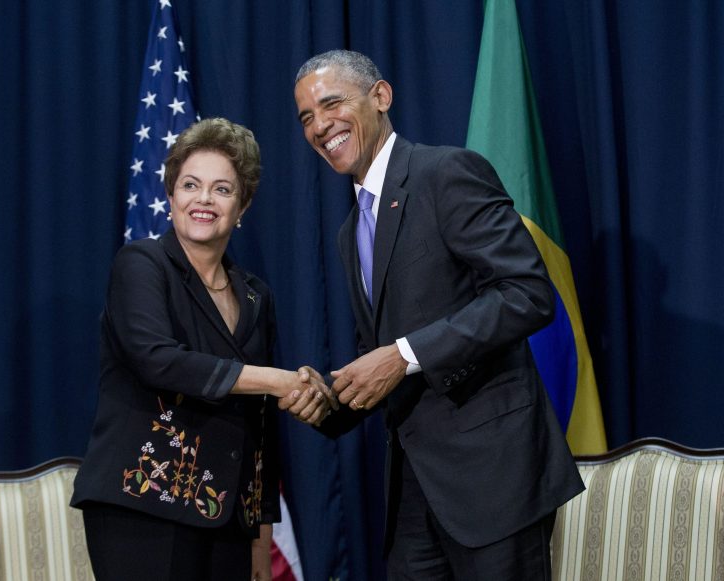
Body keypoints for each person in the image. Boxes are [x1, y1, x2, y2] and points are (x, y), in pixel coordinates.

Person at [283, 50, 585, 580]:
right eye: (306, 117)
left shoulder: (446, 173)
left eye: (331, 103)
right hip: (413, 495)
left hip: (494, 482)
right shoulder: (349, 232)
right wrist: (330, 400)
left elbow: (527, 292)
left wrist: (404, 356)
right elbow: (377, 358)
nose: (319, 126)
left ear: (381, 96)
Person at [71, 117, 332, 581]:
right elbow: (159, 361)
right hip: (144, 508)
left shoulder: (256, 296)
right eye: (190, 185)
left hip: (229, 515)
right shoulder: (141, 265)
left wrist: (261, 529)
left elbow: (262, 422)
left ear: (243, 205)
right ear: (171, 196)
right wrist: (278, 379)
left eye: (222, 189)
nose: (204, 200)